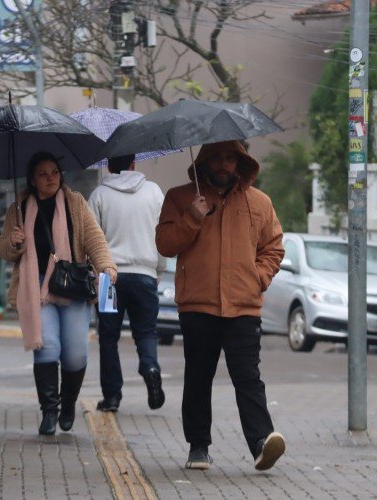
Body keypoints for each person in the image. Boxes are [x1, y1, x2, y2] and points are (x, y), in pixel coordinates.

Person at [155, 140, 286, 471]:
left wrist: (257, 277)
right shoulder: (181, 197)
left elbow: (273, 247)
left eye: (231, 159)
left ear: (241, 163)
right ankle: (198, 446)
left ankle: (261, 442)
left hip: (243, 305)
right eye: (217, 159)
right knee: (199, 376)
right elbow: (165, 243)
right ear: (204, 162)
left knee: (248, 376)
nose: (224, 165)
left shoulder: (260, 202)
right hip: (197, 303)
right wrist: (191, 218)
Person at [0, 152, 117, 436]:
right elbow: (4, 250)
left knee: (75, 354)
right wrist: (13, 243)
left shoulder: (75, 202)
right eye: (43, 174)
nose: (51, 178)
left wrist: (106, 266)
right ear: (32, 179)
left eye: (54, 172)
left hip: (71, 285)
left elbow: (94, 238)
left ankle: (68, 404)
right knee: (47, 346)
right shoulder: (19, 206)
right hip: (35, 285)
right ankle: (49, 411)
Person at [88, 154, 166, 413]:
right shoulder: (154, 191)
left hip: (107, 278)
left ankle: (111, 397)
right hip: (144, 275)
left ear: (109, 165)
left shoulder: (99, 195)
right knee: (146, 332)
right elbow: (163, 234)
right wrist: (158, 271)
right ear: (134, 163)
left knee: (108, 337)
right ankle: (151, 367)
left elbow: (89, 240)